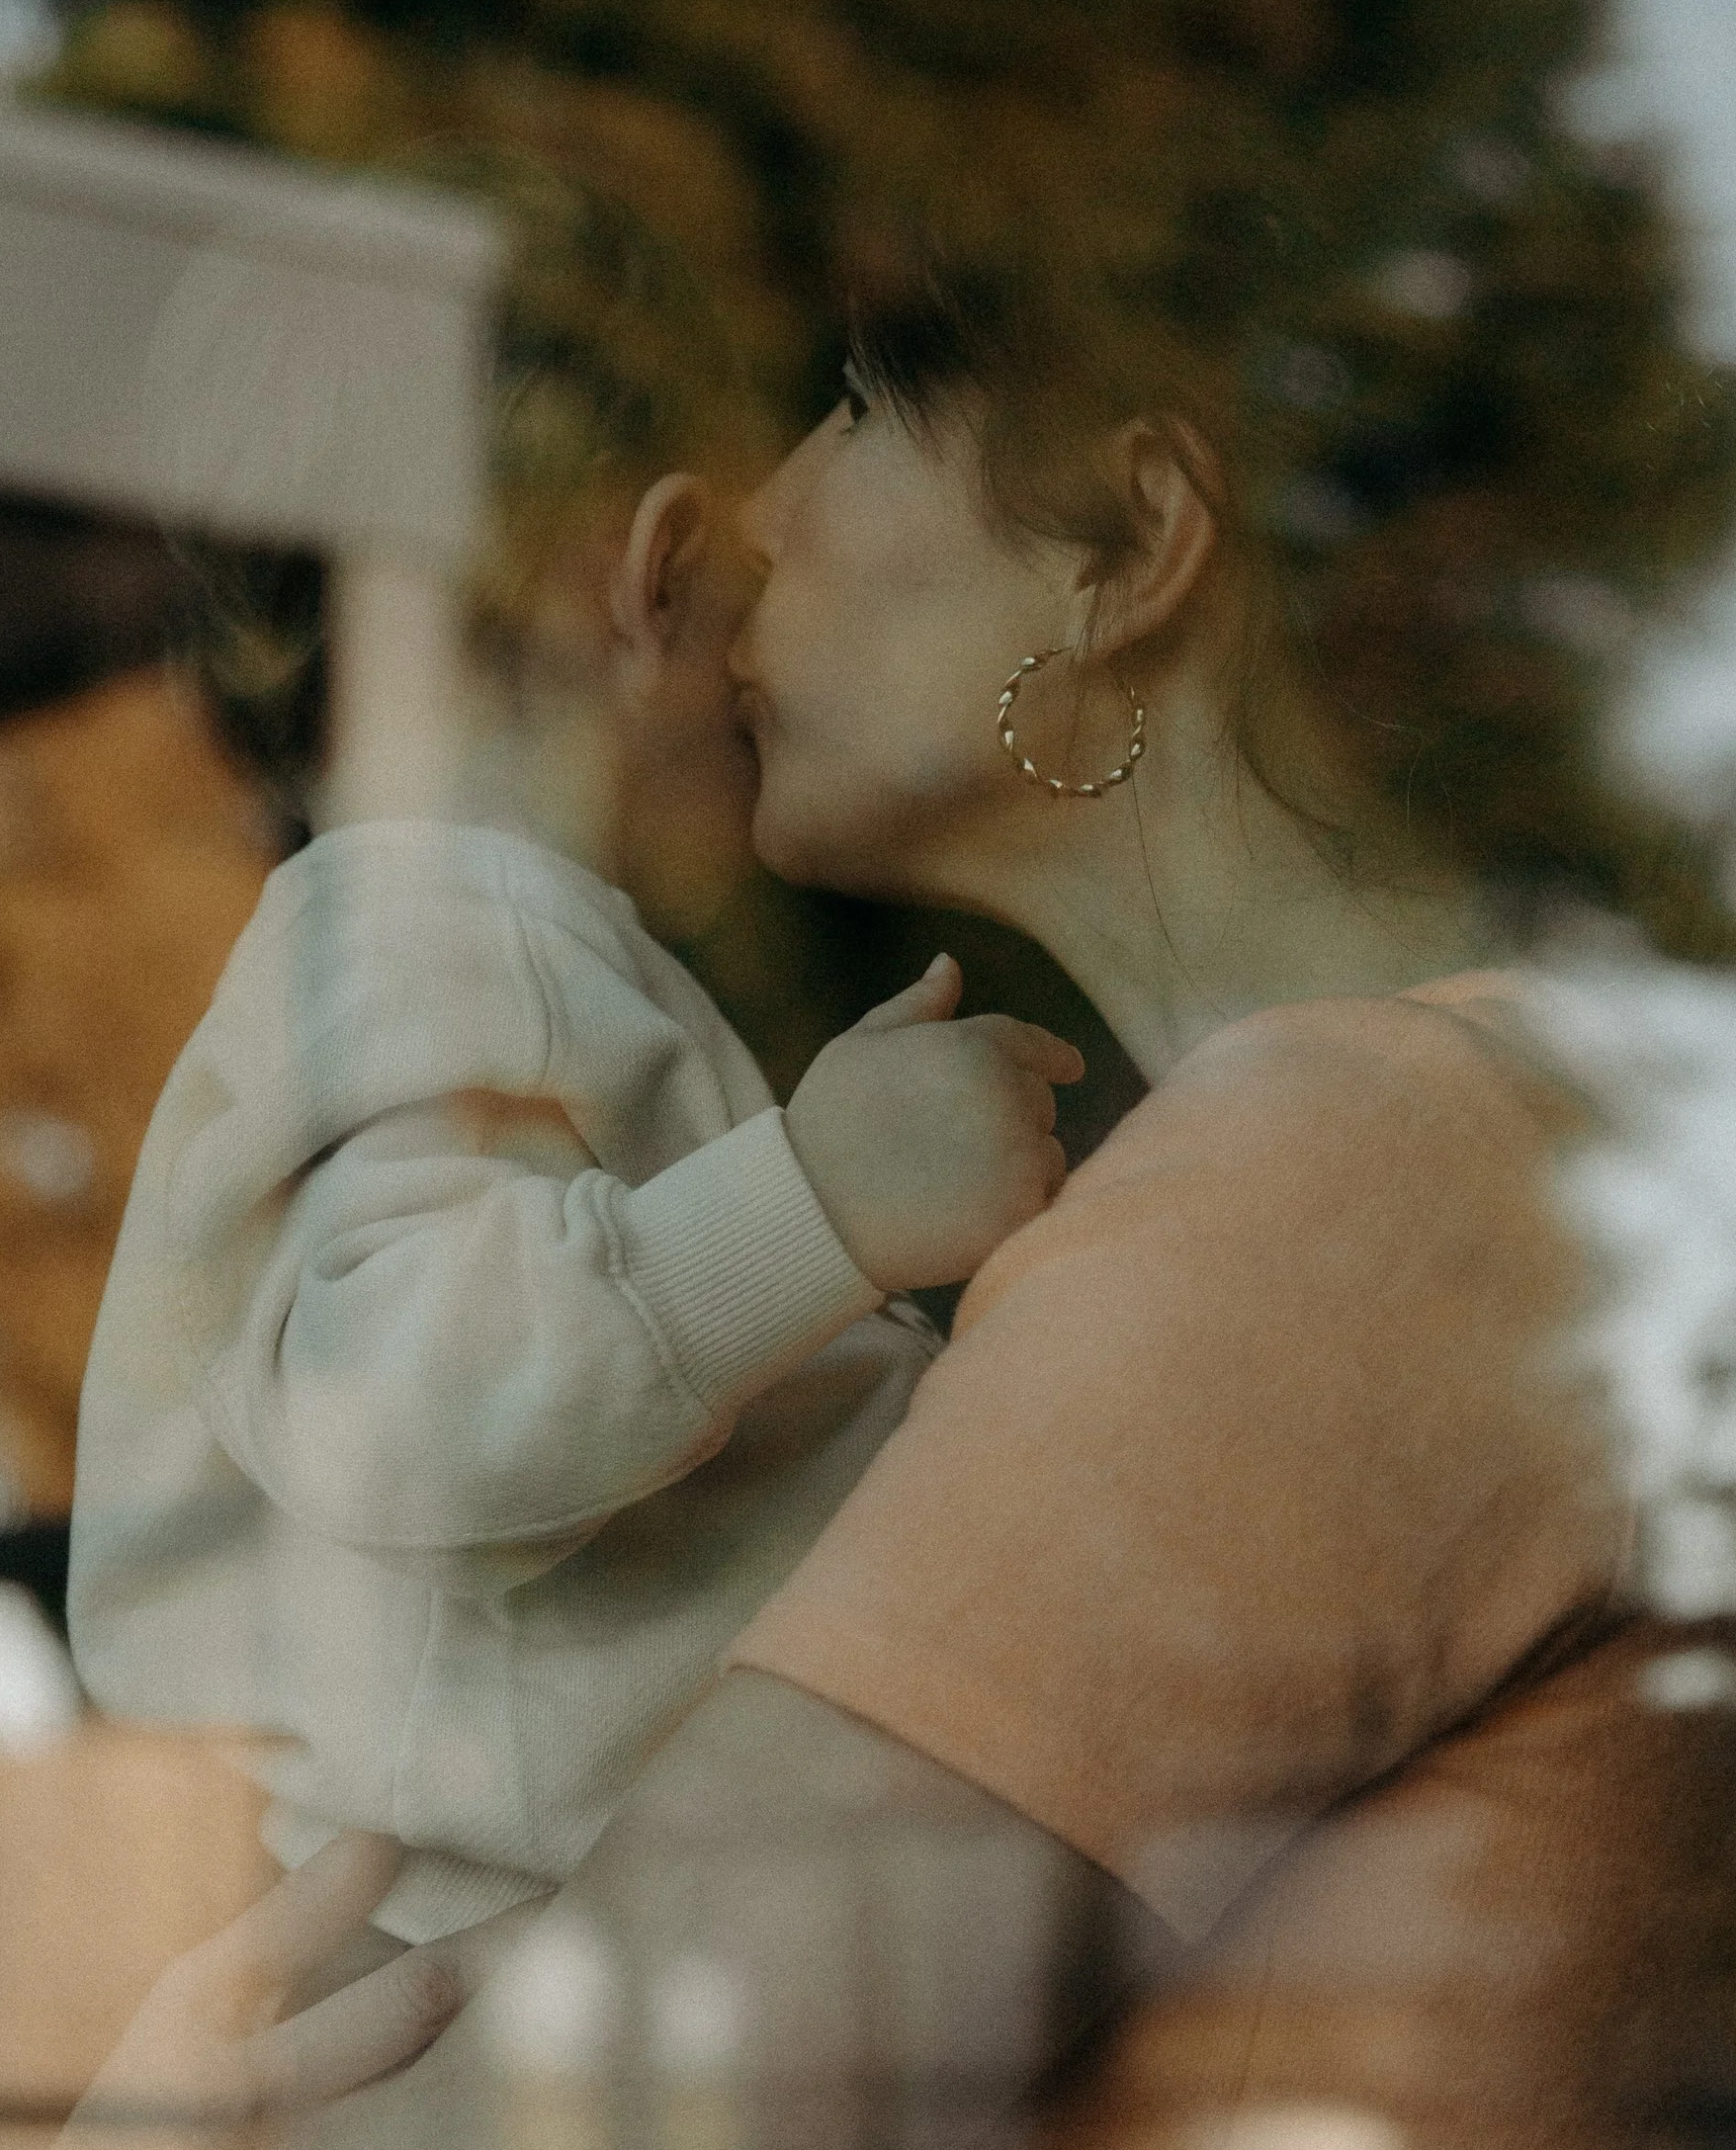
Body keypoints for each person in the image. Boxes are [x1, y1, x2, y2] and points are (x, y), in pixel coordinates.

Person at [29, 265, 1736, 2150]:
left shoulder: (1344, 1171)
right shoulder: (1448, 1170)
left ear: (1139, 545)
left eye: (860, 405)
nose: (765, 507)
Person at [66, 465, 1083, 1947]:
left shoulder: (438, 950)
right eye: (751, 610)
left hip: (532, 1918)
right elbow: (401, 1409)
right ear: (655, 580)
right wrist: (818, 1204)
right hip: (497, 1922)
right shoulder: (442, 933)